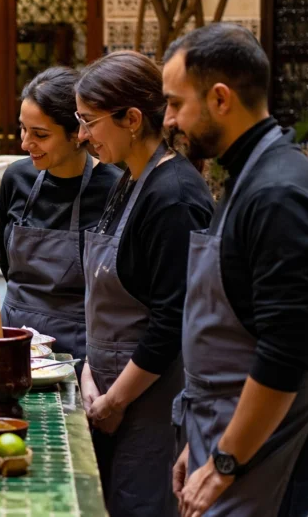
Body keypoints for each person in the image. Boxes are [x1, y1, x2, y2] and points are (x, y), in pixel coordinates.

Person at [162, 23, 308, 517]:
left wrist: (225, 459)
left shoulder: (279, 195)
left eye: (177, 103)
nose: (170, 120)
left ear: (220, 99)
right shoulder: (249, 174)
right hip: (233, 426)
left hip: (274, 442)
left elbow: (283, 353)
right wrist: (202, 441)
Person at [75, 51, 214, 517]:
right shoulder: (128, 177)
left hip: (150, 402)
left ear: (132, 119)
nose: (82, 136)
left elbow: (171, 321)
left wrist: (114, 400)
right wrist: (92, 372)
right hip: (112, 393)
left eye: (88, 121)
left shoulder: (173, 196)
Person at [0, 67, 121, 360]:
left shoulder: (114, 188)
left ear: (78, 134)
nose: (26, 144)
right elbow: (5, 260)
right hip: (13, 336)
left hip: (78, 347)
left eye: (40, 134)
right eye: (23, 129)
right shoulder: (16, 178)